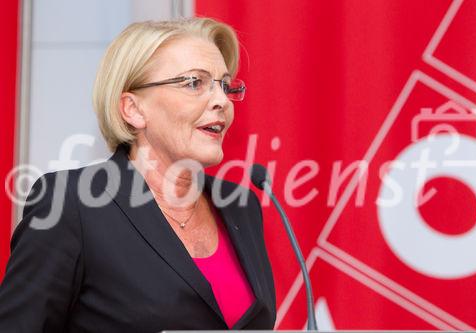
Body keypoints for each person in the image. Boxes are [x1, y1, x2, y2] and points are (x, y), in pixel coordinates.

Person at [0, 18, 276, 332]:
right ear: (133, 109)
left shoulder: (242, 207)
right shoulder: (71, 204)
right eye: (194, 83)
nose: (222, 101)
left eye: (225, 86)